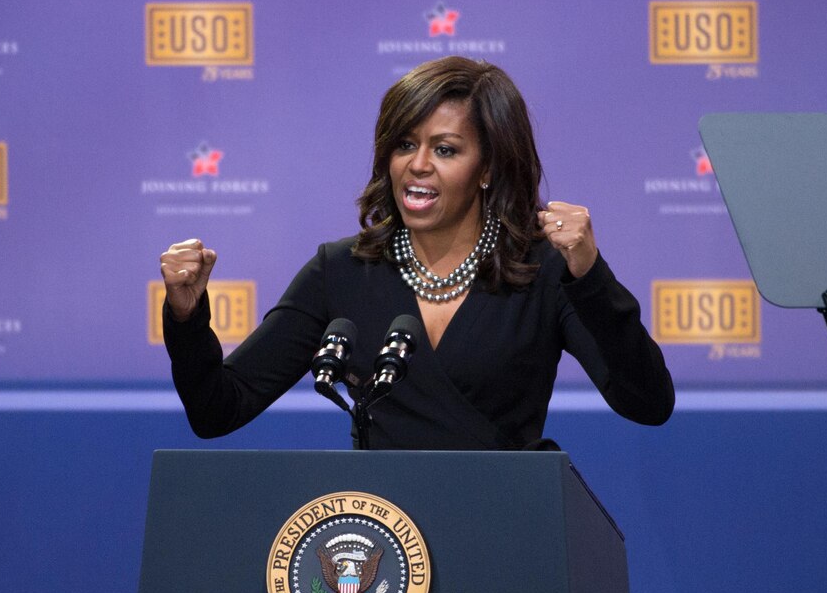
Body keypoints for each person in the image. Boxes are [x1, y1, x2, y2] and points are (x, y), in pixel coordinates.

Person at [160, 56, 674, 450]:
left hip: (510, 539)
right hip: (385, 555)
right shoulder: (340, 272)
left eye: (446, 149)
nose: (418, 165)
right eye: (405, 145)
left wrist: (590, 276)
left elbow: (647, 403)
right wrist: (186, 316)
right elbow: (217, 410)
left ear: (488, 167)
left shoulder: (543, 271)